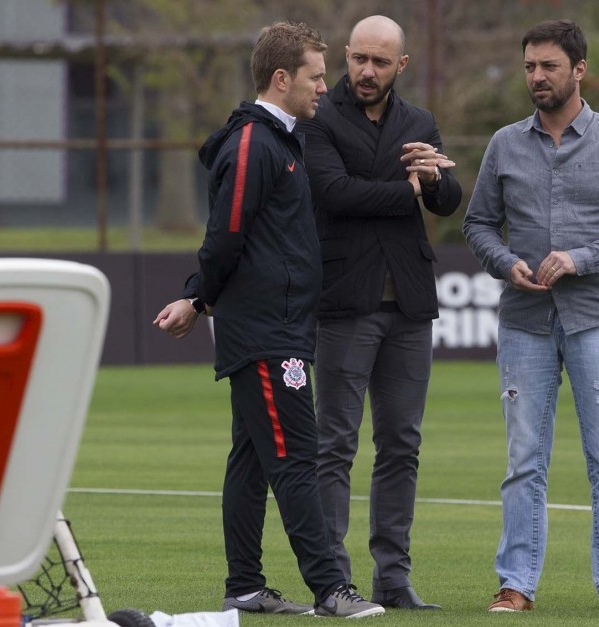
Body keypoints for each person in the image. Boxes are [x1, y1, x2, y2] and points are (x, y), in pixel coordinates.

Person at [152, 21, 384, 620]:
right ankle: (332, 589)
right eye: (315, 77)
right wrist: (198, 297)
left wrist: (200, 299)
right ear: (281, 79)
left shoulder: (282, 141)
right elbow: (225, 236)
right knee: (297, 456)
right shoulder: (255, 144)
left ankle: (245, 589)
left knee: (252, 460)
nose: (323, 88)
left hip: (279, 329)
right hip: (266, 335)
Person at [462, 19, 599, 614]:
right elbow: (477, 224)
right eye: (529, 66)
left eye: (548, 66)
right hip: (523, 320)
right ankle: (516, 584)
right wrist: (506, 264)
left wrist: (580, 258)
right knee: (523, 460)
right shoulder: (504, 143)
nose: (537, 77)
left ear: (579, 70)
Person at [293, 14, 462, 610]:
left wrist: (435, 176)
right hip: (344, 302)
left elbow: (445, 199)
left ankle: (394, 579)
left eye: (380, 62)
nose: (366, 72)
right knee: (335, 443)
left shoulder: (418, 122)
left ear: (401, 66)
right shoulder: (318, 117)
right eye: (359, 59)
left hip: (409, 304)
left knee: (402, 444)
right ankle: (332, 579)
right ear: (346, 54)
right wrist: (407, 187)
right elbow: (333, 194)